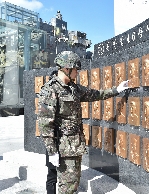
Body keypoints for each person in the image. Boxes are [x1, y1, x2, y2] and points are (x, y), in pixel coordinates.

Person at [37, 51, 129, 194]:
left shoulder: (74, 88)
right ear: (67, 69)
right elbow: (45, 123)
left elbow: (95, 94)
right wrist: (52, 151)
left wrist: (117, 89)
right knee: (67, 188)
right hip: (62, 149)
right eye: (76, 70)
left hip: (75, 146)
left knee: (72, 184)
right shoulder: (50, 90)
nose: (77, 73)